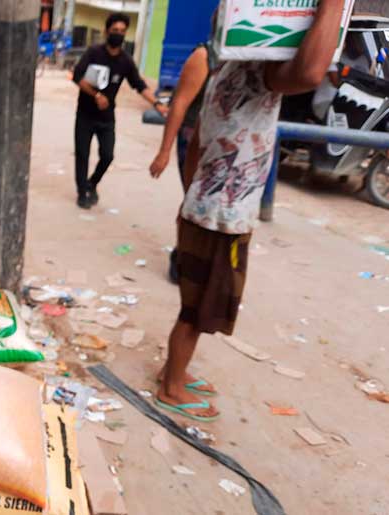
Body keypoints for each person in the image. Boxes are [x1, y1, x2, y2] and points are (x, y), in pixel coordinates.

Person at [155, 0, 347, 422]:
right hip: (219, 218)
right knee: (200, 309)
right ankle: (171, 386)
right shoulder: (258, 70)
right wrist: (332, 7)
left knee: (195, 302)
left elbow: (201, 140)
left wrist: (190, 202)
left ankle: (174, 371)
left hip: (206, 211)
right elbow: (311, 72)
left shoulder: (226, 68)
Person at [72, 13, 167, 210]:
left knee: (107, 156)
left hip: (107, 118)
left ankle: (92, 183)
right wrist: (96, 95)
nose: (118, 35)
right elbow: (77, 76)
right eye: (115, 31)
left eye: (122, 32)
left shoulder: (125, 61)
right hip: (85, 114)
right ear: (107, 32)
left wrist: (157, 104)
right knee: (82, 154)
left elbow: (139, 85)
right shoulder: (94, 53)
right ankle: (82, 193)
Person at [149, 41, 213, 283]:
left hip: (222, 143)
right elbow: (180, 104)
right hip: (195, 139)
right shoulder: (204, 56)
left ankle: (199, 258)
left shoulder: (249, 57)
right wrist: (164, 151)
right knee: (194, 201)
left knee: (212, 208)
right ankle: (181, 256)